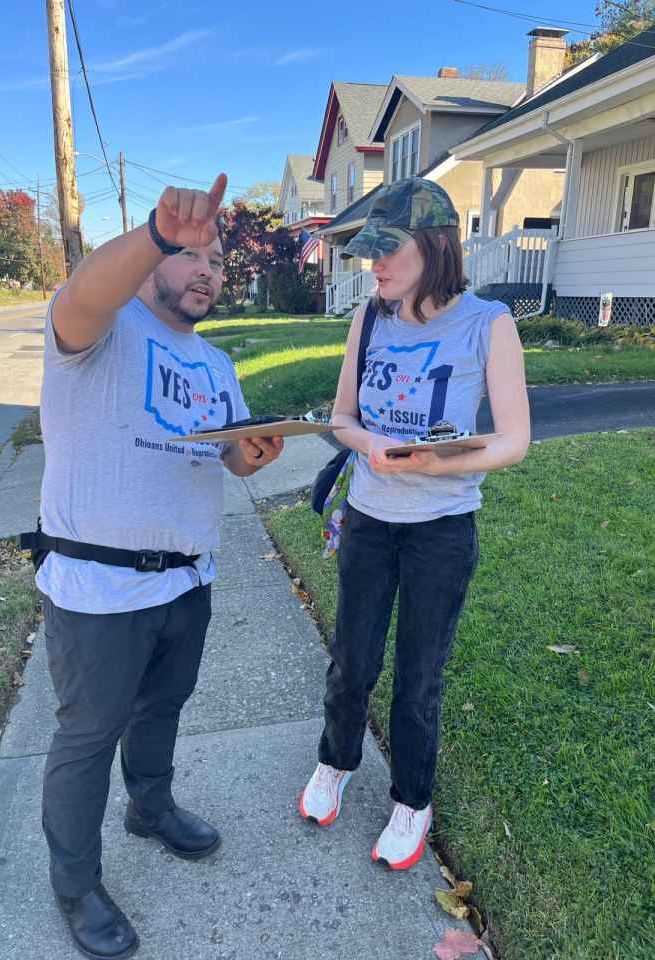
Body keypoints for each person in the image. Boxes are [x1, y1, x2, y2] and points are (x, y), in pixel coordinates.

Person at [34, 174, 283, 959]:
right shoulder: (100, 329)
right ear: (151, 263)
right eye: (191, 257)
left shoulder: (216, 363)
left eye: (216, 260)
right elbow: (80, 292)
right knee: (87, 737)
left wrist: (252, 455)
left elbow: (230, 462)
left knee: (162, 709)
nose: (209, 269)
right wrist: (159, 231)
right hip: (99, 587)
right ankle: (75, 885)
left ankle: (151, 807)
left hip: (187, 578)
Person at [299, 177, 530, 869]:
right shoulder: (369, 318)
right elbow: (343, 417)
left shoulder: (489, 323)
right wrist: (368, 444)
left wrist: (432, 465)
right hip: (369, 520)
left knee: (418, 676)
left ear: (435, 246)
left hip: (441, 529)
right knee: (352, 660)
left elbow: (514, 439)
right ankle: (335, 762)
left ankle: (412, 802)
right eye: (371, 253)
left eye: (388, 251)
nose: (376, 266)